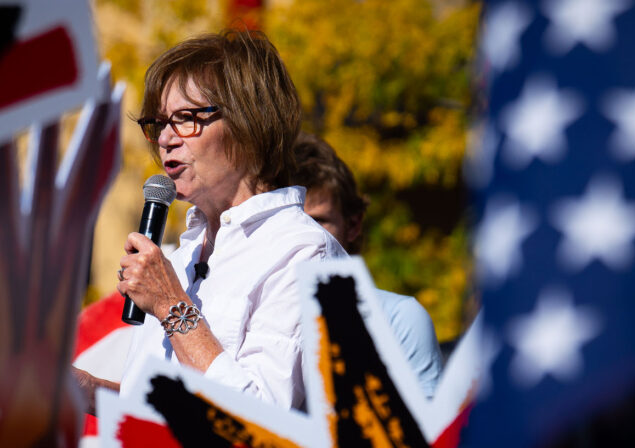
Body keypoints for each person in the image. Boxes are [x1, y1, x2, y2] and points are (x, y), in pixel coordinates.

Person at [74, 30, 345, 413]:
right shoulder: (184, 254)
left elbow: (260, 418)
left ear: (250, 123)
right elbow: (174, 411)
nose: (165, 138)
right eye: (159, 123)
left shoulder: (302, 251)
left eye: (185, 119)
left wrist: (171, 305)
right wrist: (89, 390)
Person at [293, 132, 443, 398]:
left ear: (353, 224)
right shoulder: (244, 316)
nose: (304, 237)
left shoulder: (399, 320)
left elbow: (427, 436)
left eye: (318, 221)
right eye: (291, 223)